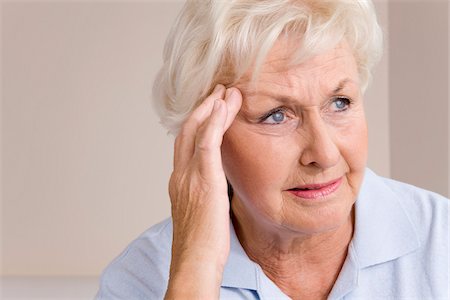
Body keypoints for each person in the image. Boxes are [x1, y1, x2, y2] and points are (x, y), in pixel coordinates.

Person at [96, 0, 449, 299]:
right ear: (209, 134)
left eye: (340, 103)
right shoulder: (142, 278)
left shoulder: (441, 241)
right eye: (276, 115)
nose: (324, 154)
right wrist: (196, 267)